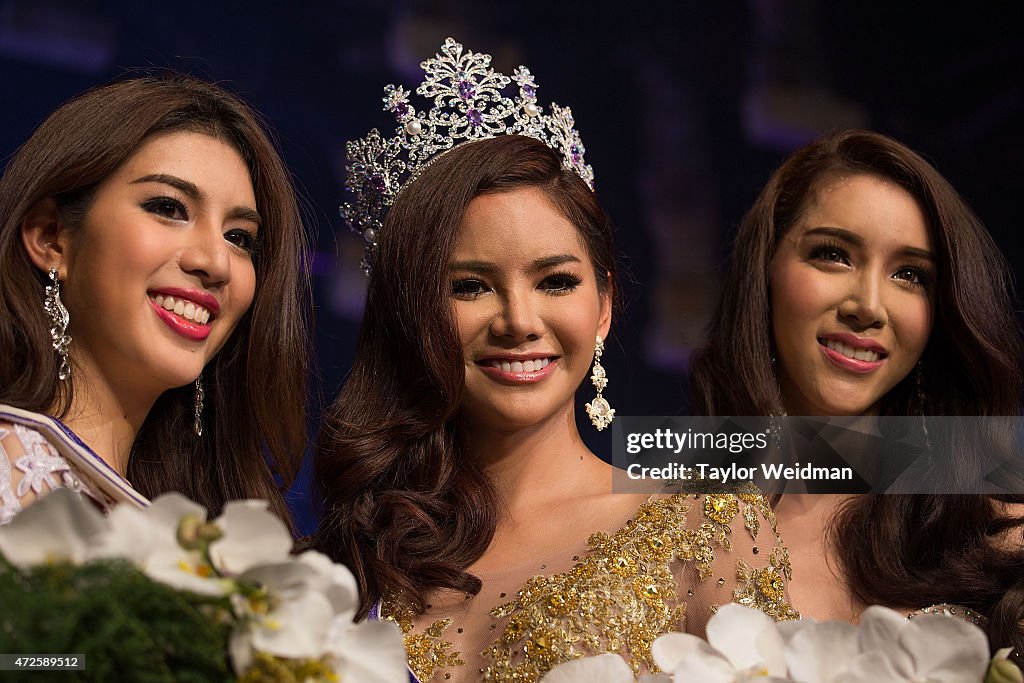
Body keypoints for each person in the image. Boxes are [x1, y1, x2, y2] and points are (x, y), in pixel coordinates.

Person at [315, 39, 797, 683]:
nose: (518, 321)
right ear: (413, 314)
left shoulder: (706, 529)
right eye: (470, 286)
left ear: (603, 307)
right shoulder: (357, 553)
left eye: (555, 282)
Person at [690, 129, 1024, 657]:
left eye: (910, 274)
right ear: (766, 270)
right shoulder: (667, 539)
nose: (868, 305)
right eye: (834, 255)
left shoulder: (1000, 542)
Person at [0, 74, 310, 528]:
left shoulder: (197, 532)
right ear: (51, 238)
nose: (216, 262)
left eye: (239, 237)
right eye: (168, 208)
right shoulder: (12, 474)